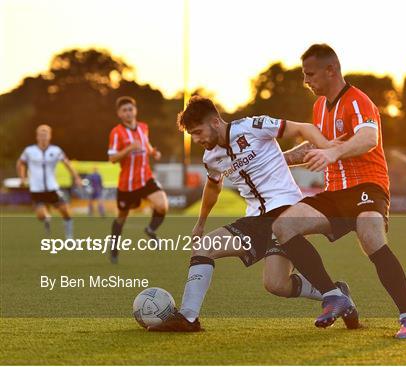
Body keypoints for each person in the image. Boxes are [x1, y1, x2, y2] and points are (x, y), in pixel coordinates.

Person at [146, 96, 358, 332]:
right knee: (220, 254)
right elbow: (213, 187)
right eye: (192, 135)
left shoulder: (252, 127)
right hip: (255, 220)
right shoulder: (211, 157)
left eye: (198, 132)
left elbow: (303, 128)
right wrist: (200, 223)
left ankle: (335, 295)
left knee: (273, 281)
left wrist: (330, 148)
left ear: (215, 121)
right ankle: (188, 318)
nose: (196, 140)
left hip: (286, 213)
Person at [271, 44, 406, 339]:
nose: (306, 81)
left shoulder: (357, 101)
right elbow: (314, 146)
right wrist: (277, 161)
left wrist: (334, 154)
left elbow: (368, 138)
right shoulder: (319, 107)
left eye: (310, 74)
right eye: (305, 75)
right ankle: (333, 295)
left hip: (368, 185)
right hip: (335, 193)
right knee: (284, 225)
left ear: (331, 70)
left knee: (370, 235)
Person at [107, 96, 168, 263]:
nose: (128, 112)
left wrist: (153, 152)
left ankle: (150, 229)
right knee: (122, 217)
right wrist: (129, 148)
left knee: (162, 205)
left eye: (130, 109)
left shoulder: (143, 127)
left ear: (135, 110)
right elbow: (112, 158)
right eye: (124, 110)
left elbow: (146, 145)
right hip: (127, 184)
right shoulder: (116, 132)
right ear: (119, 114)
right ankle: (114, 248)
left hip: (146, 177)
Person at [17, 124, 82, 239]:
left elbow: (67, 164)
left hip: (53, 188)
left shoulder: (56, 150)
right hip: (37, 189)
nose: (43, 137)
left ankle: (69, 238)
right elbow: (20, 163)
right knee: (41, 216)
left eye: (45, 134)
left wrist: (76, 178)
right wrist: (22, 177)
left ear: (50, 136)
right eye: (41, 135)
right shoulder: (29, 151)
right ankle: (48, 224)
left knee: (65, 211)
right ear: (37, 137)